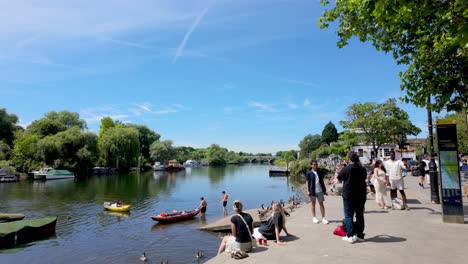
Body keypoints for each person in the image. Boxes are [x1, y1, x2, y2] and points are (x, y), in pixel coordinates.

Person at [336, 152, 367, 243]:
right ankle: (360, 235)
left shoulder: (346, 168)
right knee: (360, 215)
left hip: (349, 196)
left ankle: (350, 235)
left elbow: (339, 178)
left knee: (349, 215)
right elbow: (364, 178)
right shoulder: (362, 169)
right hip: (361, 196)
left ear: (350, 160)